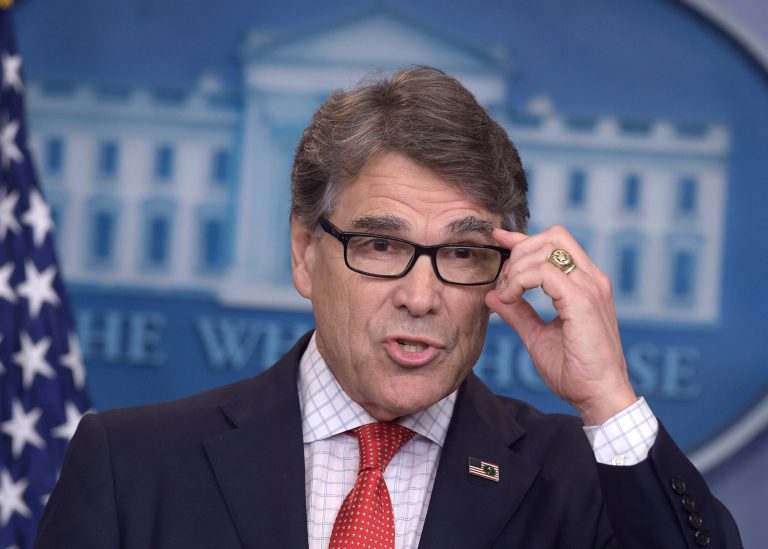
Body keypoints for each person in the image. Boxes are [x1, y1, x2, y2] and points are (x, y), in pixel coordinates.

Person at [34, 67, 742, 548]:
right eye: (379, 244)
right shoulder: (132, 465)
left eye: (462, 254)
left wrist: (610, 400)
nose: (421, 294)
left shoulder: (585, 482)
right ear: (306, 252)